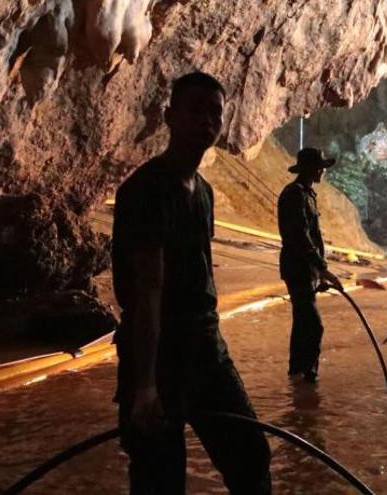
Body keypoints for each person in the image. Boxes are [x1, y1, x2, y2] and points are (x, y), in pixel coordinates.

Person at [111, 72, 271, 494]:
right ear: (169, 116)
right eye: (195, 110)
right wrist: (145, 387)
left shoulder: (203, 191)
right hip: (158, 355)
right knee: (159, 480)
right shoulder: (146, 189)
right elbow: (147, 290)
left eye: (215, 113)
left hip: (205, 349)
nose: (206, 121)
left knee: (251, 455)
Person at [277, 147, 343, 383]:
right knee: (314, 325)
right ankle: (308, 376)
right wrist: (323, 267)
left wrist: (319, 272)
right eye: (319, 167)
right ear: (308, 169)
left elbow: (311, 236)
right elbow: (300, 237)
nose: (322, 171)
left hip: (306, 268)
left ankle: (296, 373)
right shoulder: (294, 194)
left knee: (303, 321)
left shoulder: (306, 194)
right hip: (298, 268)